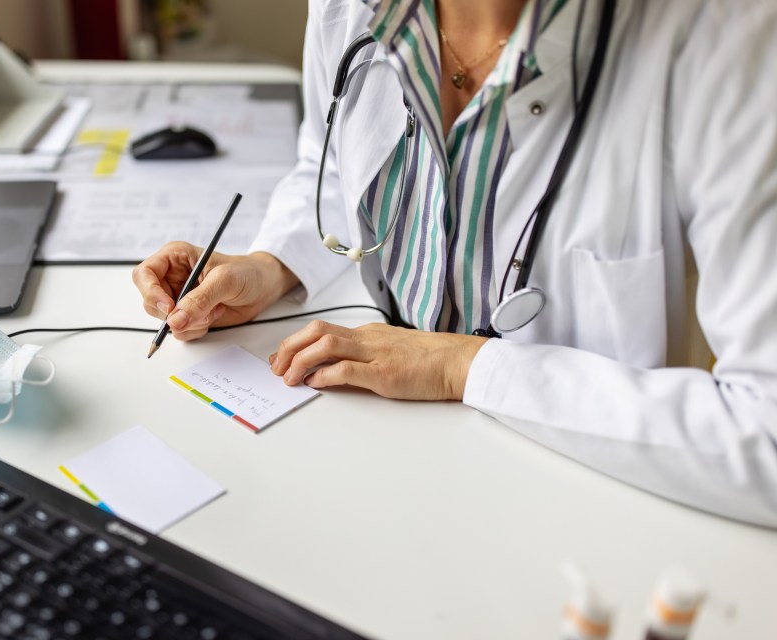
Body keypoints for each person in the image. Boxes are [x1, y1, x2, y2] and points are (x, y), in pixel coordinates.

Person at [133, 0, 777, 527]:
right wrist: (274, 265)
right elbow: (330, 163)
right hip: (370, 459)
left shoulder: (730, 37)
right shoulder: (352, 8)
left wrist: (463, 366)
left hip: (577, 496)